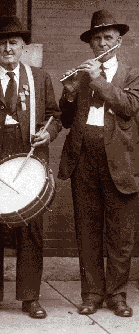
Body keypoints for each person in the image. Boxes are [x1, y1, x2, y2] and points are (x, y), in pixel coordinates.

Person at [0, 15, 62, 319]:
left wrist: (48, 132)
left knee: (31, 232)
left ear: (22, 47)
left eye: (13, 42)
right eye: (2, 43)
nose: (7, 48)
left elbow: (54, 116)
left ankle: (30, 297)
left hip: (28, 162)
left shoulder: (39, 78)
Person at [59, 9, 139, 317]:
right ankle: (91, 293)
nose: (102, 43)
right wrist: (68, 96)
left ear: (118, 40)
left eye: (108, 37)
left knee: (120, 233)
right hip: (84, 159)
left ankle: (117, 295)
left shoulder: (131, 73)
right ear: (91, 44)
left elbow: (130, 106)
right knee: (88, 229)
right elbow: (66, 122)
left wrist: (96, 81)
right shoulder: (81, 75)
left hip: (120, 161)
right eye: (97, 38)